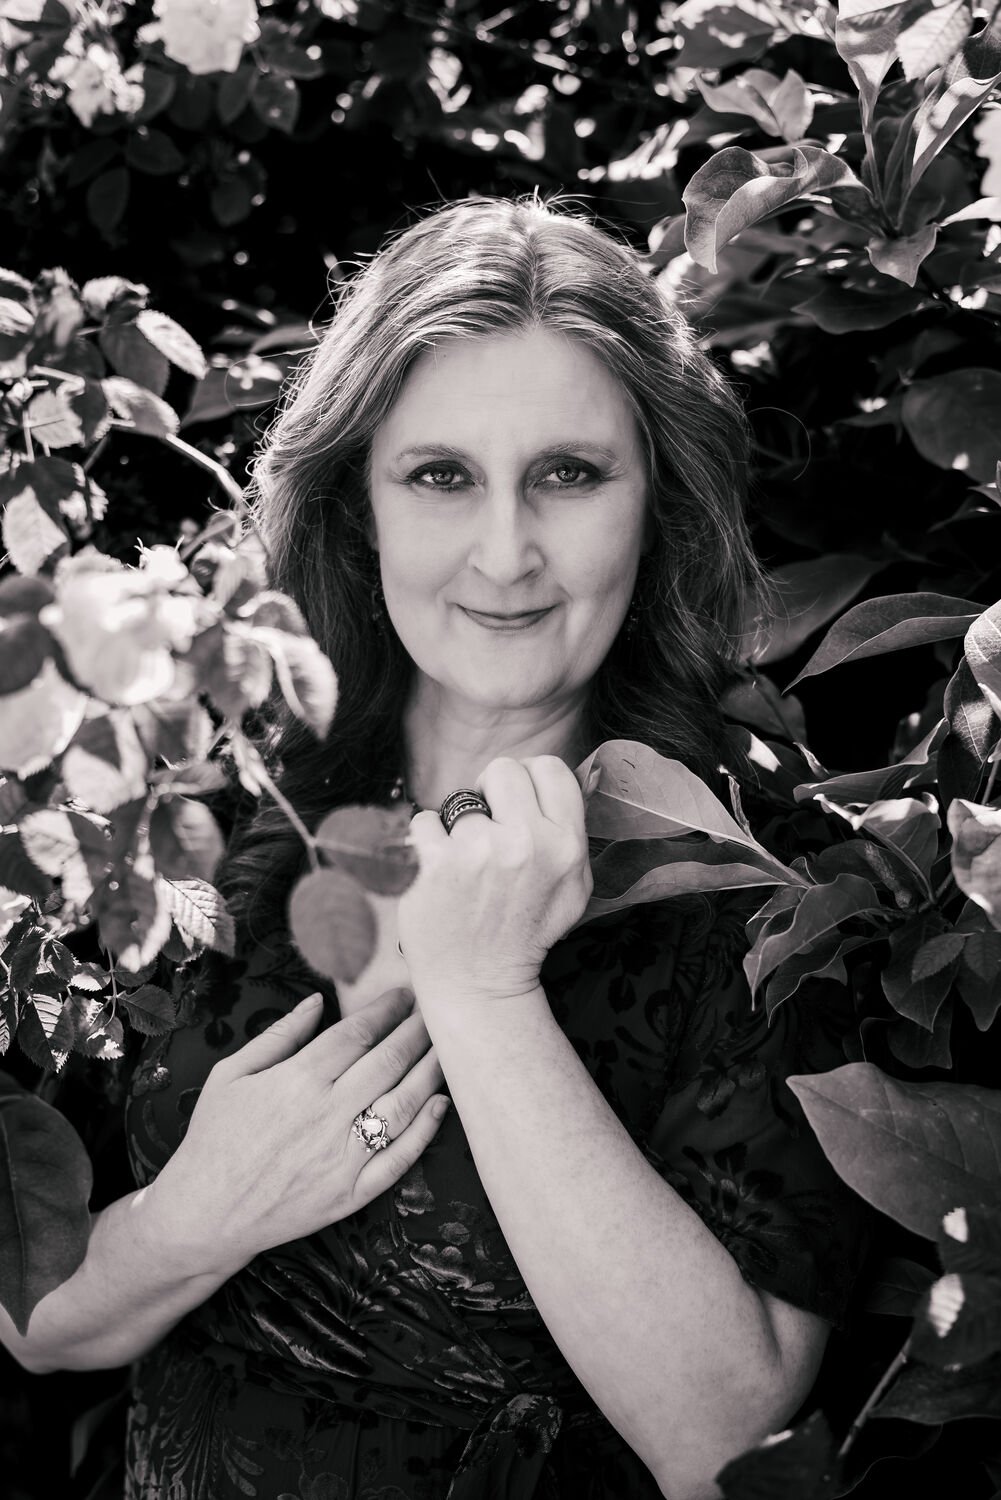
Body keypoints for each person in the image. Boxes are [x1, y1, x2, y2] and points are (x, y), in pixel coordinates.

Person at [1, 193, 869, 1499]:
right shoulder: (214, 801)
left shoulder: (768, 882)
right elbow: (38, 1321)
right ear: (358, 503)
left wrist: (483, 995)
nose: (505, 554)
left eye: (568, 474)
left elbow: (718, 1446)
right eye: (440, 475)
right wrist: (197, 1215)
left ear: (659, 500)